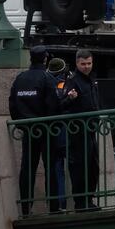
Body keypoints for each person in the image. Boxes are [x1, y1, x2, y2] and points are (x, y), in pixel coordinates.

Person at [9, 46, 62, 215]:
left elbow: (13, 104)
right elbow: (54, 105)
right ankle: (53, 208)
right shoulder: (47, 79)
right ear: (45, 59)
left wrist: (21, 123)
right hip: (46, 131)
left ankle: (25, 208)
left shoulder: (20, 79)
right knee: (51, 169)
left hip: (29, 131)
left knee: (27, 169)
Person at [60, 49, 102, 211]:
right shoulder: (73, 81)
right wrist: (70, 99)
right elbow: (61, 105)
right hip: (77, 132)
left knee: (93, 166)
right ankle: (81, 202)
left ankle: (88, 199)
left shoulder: (91, 79)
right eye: (83, 64)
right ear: (77, 63)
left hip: (91, 129)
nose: (86, 67)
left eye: (89, 63)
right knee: (80, 167)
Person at [46, 56, 70, 211]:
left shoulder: (47, 84)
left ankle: (59, 204)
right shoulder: (68, 84)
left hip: (53, 131)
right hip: (69, 130)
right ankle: (83, 203)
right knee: (77, 168)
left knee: (57, 170)